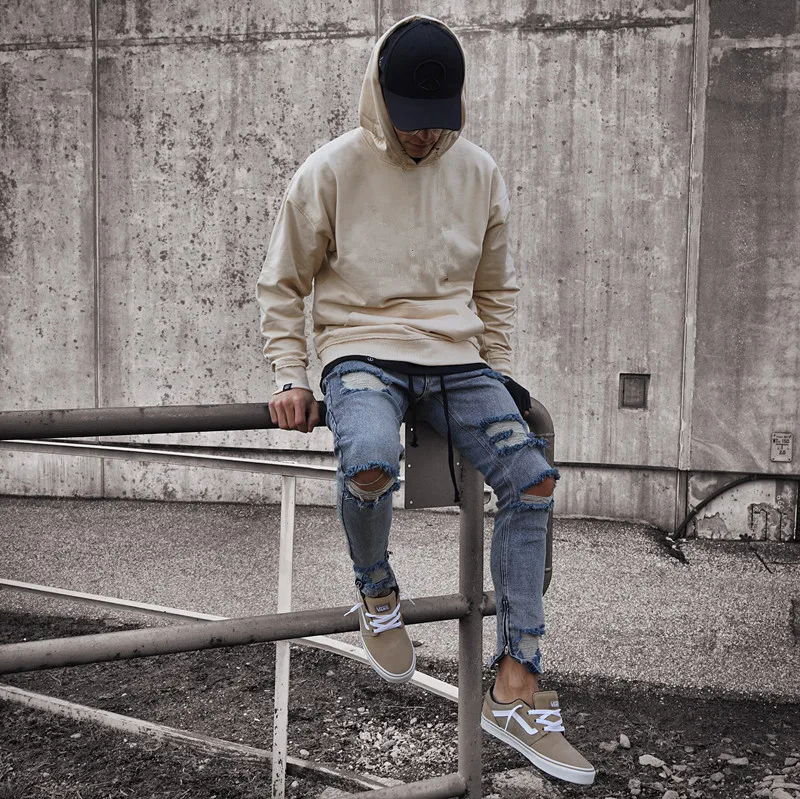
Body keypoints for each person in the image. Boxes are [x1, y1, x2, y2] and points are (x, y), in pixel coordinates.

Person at [256, 14, 594, 786]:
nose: (421, 134)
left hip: (456, 360)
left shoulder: (478, 172)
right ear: (378, 97)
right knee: (371, 460)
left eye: (435, 120)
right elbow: (283, 280)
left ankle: (516, 686)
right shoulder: (330, 170)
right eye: (408, 119)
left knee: (534, 478)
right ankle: (377, 589)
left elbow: (495, 288)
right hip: (361, 351)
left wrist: (499, 371)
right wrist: (289, 374)